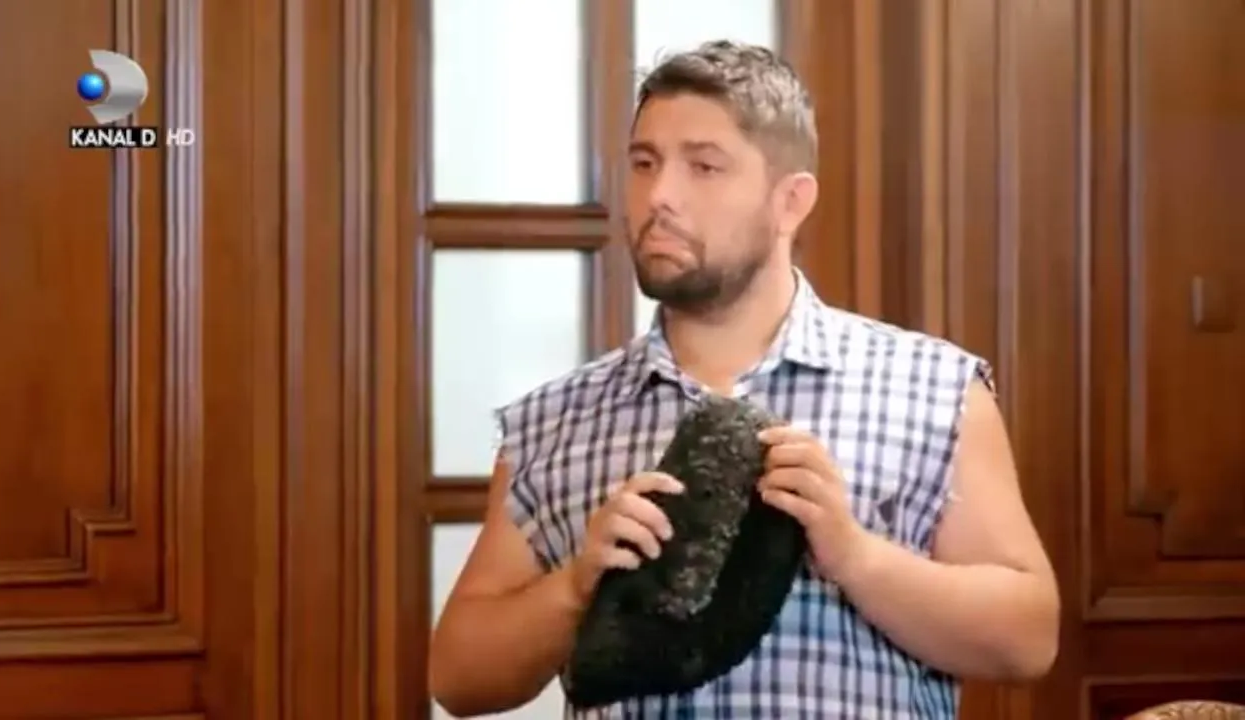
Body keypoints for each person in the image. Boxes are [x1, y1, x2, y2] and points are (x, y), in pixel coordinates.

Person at [429, 40, 1060, 719]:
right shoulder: (550, 422)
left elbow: (1028, 640)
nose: (659, 196)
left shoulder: (934, 391)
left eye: (704, 166)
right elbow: (459, 678)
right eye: (644, 163)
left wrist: (855, 558)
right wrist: (577, 584)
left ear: (790, 202)